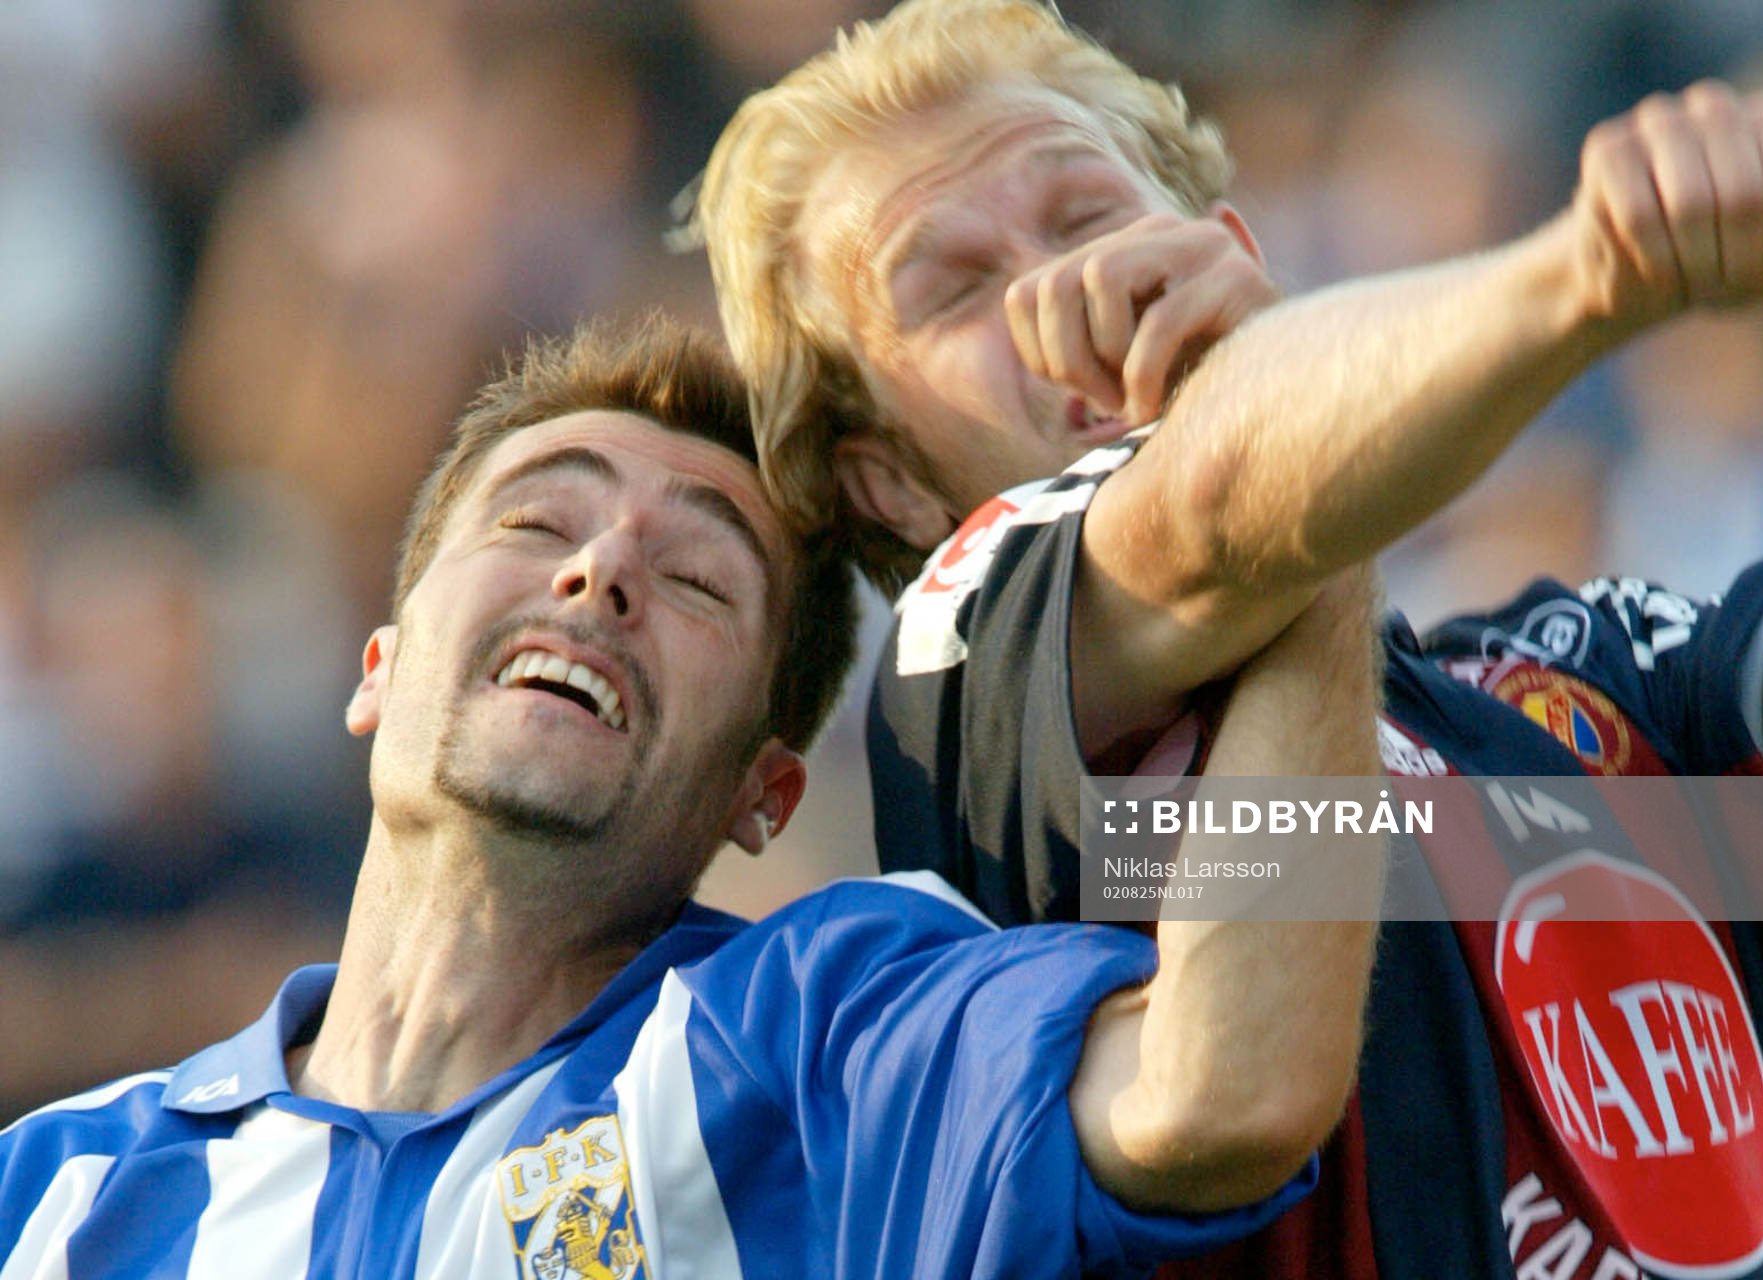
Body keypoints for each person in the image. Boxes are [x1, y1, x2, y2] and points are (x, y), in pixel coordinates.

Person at [694, 0, 1763, 1274]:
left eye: (1087, 216)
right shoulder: (963, 697)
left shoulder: (1568, 690)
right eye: (954, 288)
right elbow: (1222, 510)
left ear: (1227, 251)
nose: (1058, 292)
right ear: (885, 478)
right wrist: (1593, 269)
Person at [0, 315, 1386, 1278]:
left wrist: (1303, 527)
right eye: (538, 519)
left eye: (699, 581)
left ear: (762, 792)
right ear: (380, 668)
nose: (599, 573)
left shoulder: (823, 1038)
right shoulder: (51, 1195)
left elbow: (1233, 1086)